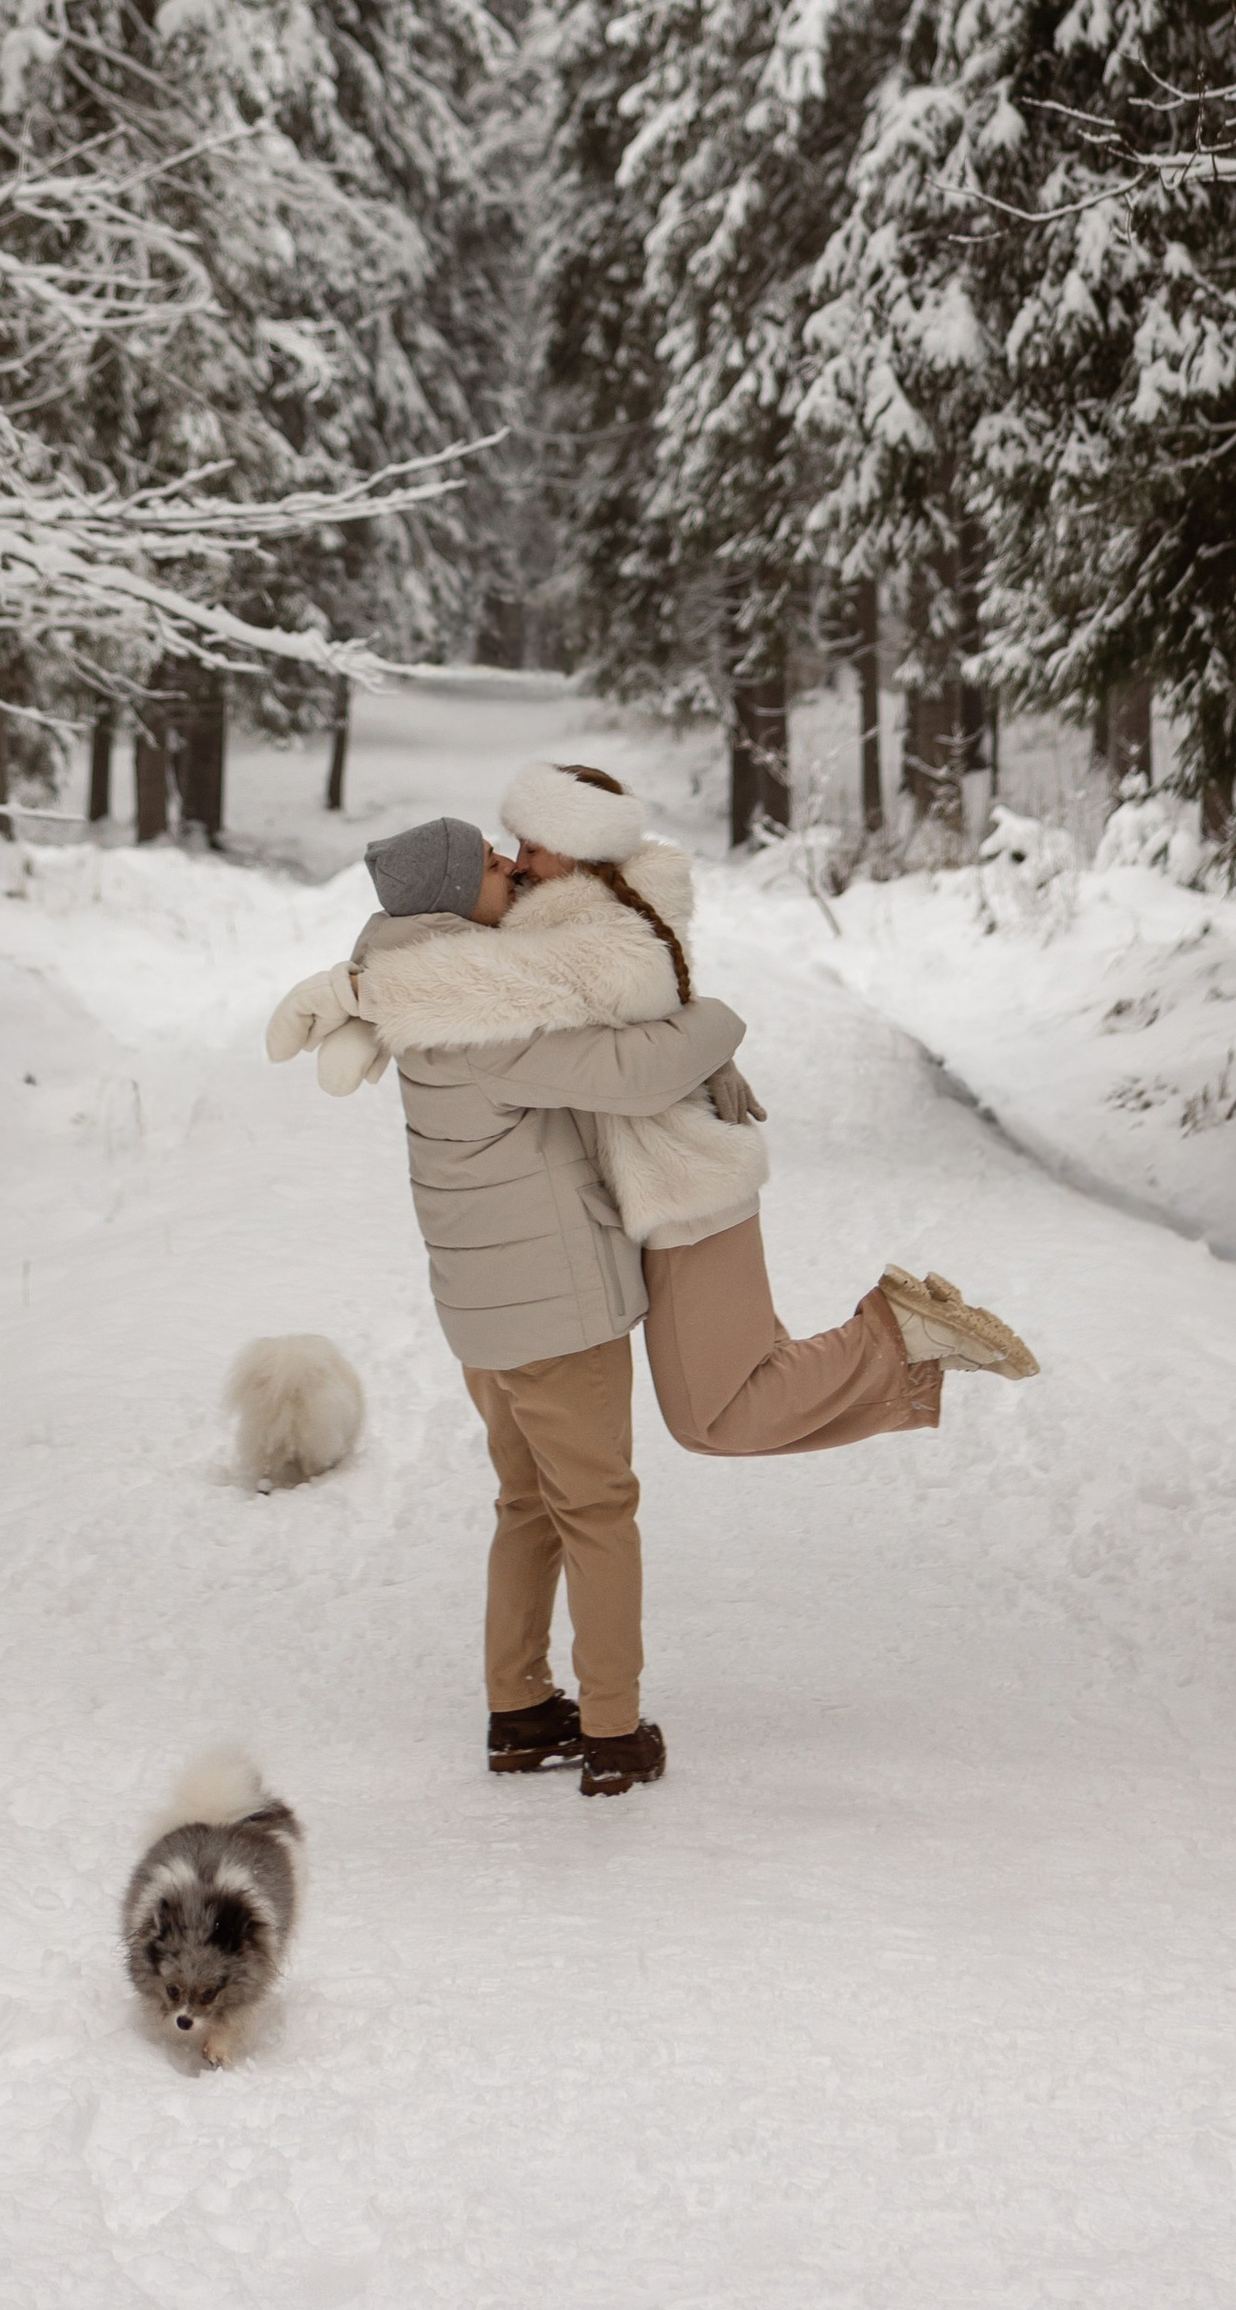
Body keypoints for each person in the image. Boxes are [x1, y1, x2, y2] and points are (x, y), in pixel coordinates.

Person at [264, 762, 1038, 1787]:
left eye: (513, 849)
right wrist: (714, 1024)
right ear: (453, 905)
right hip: (553, 1311)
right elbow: (629, 1072)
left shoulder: (417, 991)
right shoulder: (474, 1021)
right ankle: (615, 1729)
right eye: (494, 862)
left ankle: (520, 1710)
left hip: (482, 1322)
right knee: (597, 1511)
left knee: (527, 1506)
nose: (511, 869)